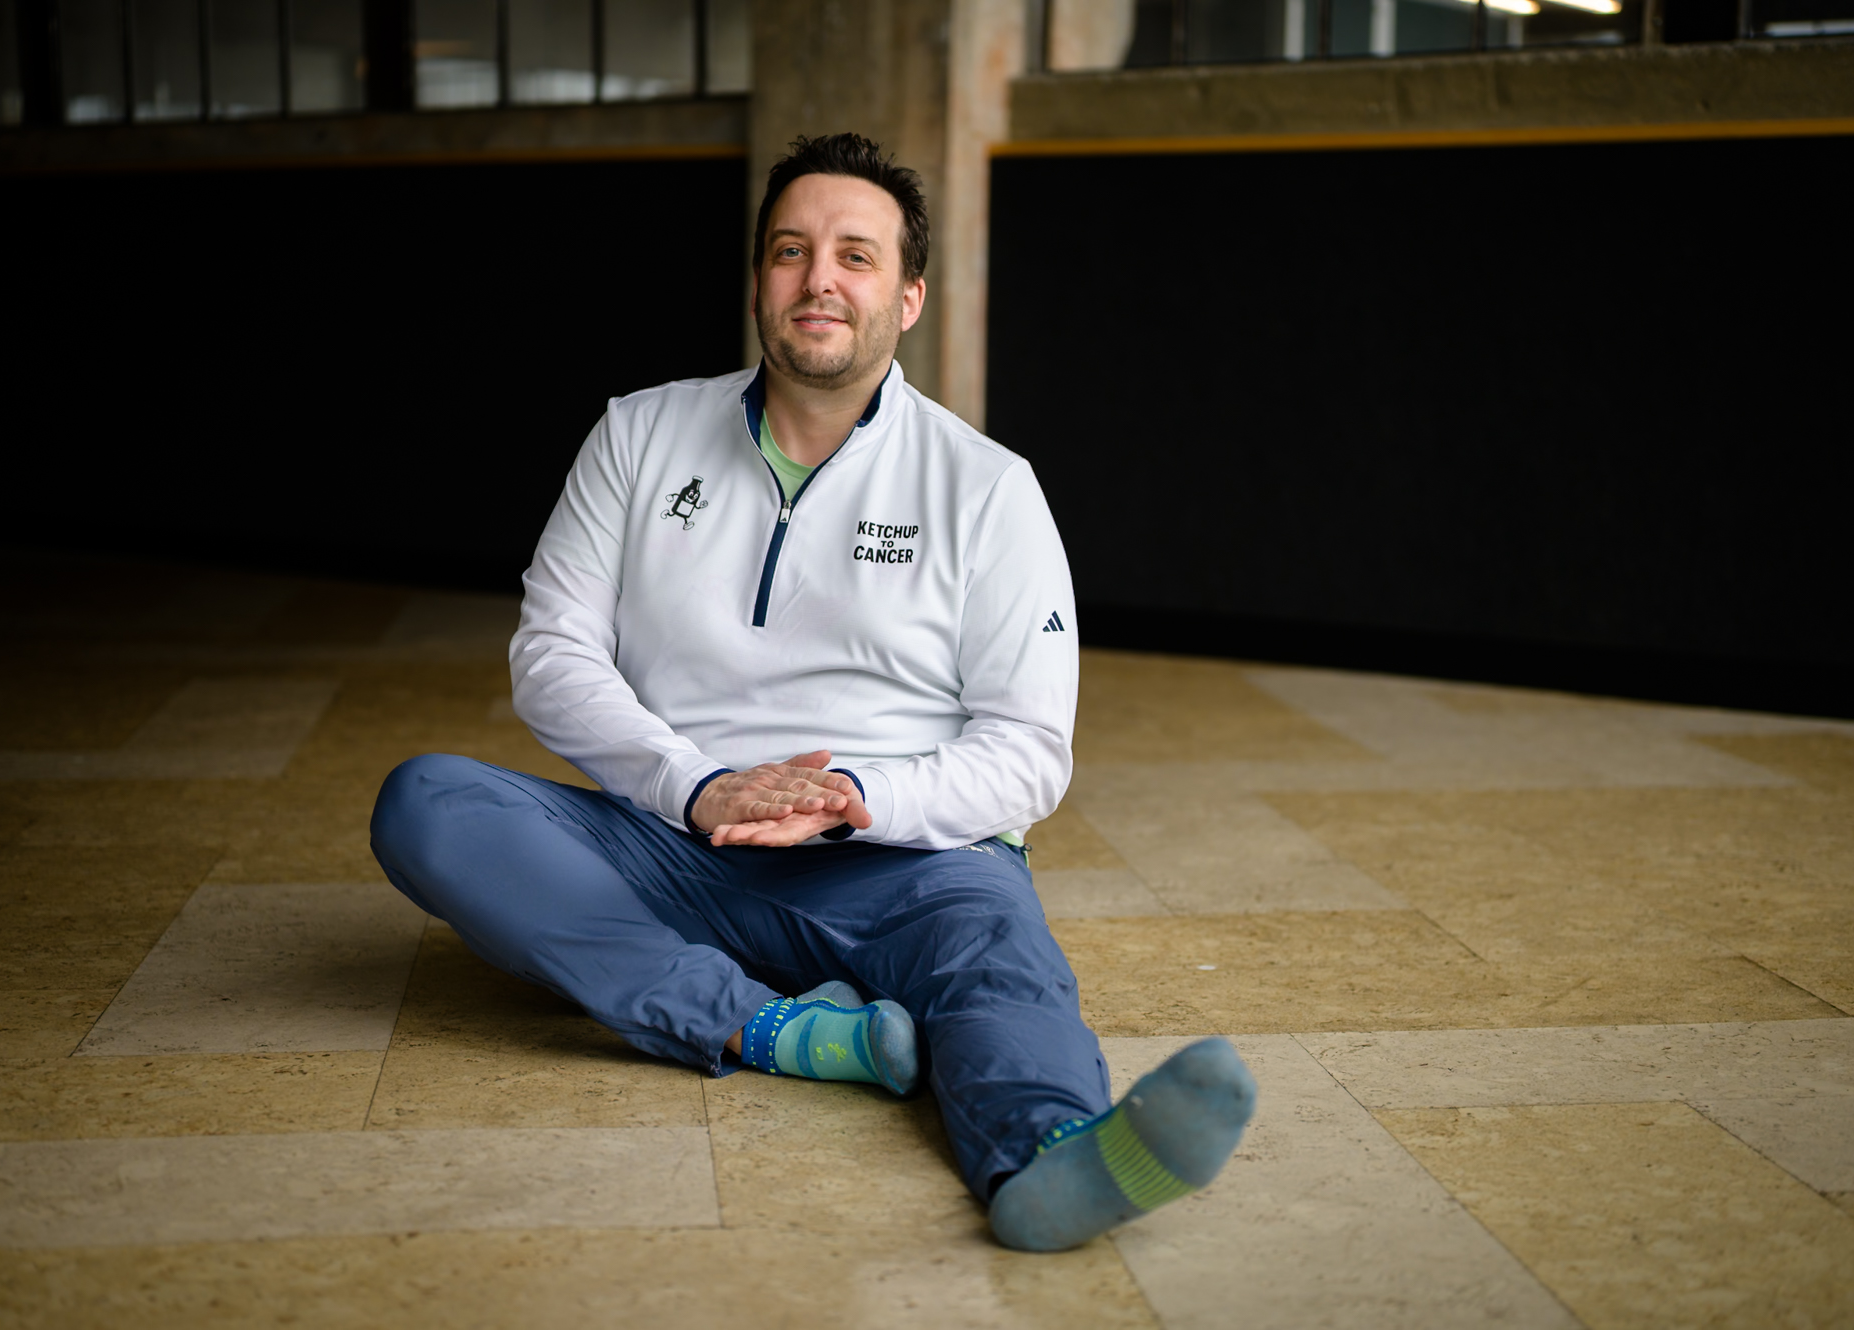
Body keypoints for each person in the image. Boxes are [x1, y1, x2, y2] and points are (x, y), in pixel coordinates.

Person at [369, 132, 1254, 1251]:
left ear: (909, 295)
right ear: (757, 281)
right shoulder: (637, 434)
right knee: (429, 803)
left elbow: (1029, 749)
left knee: (992, 959)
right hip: (673, 842)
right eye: (789, 251)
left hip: (907, 863)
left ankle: (1044, 1159)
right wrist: (698, 787)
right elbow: (551, 654)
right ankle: (778, 1030)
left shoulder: (988, 489)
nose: (817, 278)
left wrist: (856, 795)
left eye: (854, 254)